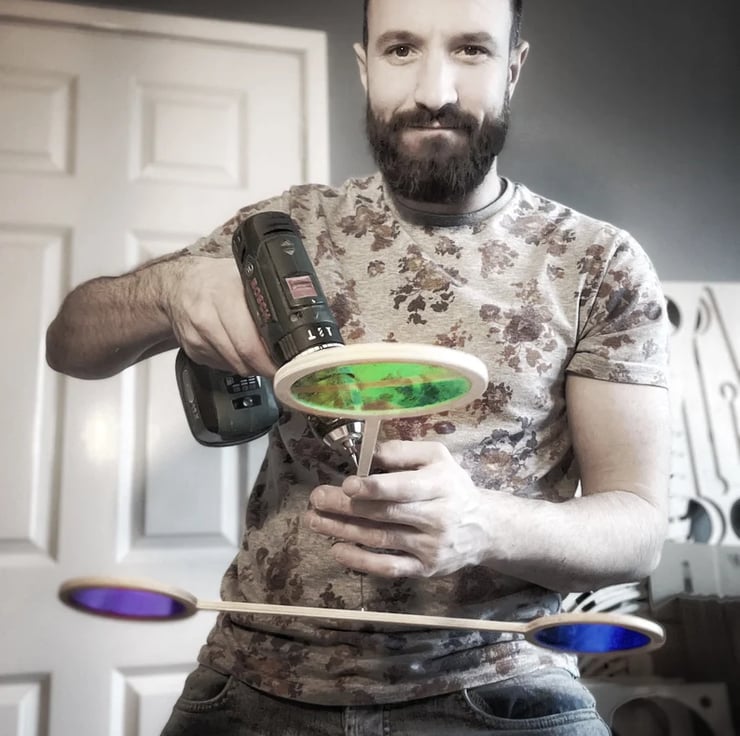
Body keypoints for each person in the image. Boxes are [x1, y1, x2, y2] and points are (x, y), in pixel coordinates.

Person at [46, 0, 671, 733]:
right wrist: (168, 289)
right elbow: (70, 343)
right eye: (401, 49)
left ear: (513, 67)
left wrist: (485, 524)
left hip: (502, 685)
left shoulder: (597, 264)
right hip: (252, 682)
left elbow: (637, 529)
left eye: (471, 50)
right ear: (365, 65)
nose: (434, 91)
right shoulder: (285, 230)